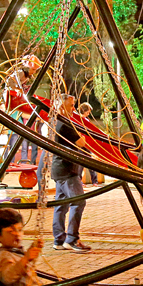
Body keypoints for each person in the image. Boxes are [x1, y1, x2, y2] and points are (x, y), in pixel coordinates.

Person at [51, 95, 92, 253]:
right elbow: (81, 143)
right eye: (71, 106)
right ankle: (71, 239)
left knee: (61, 205)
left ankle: (59, 239)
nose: (74, 108)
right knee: (78, 202)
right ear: (61, 107)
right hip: (67, 169)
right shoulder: (65, 125)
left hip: (59, 168)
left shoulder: (56, 122)